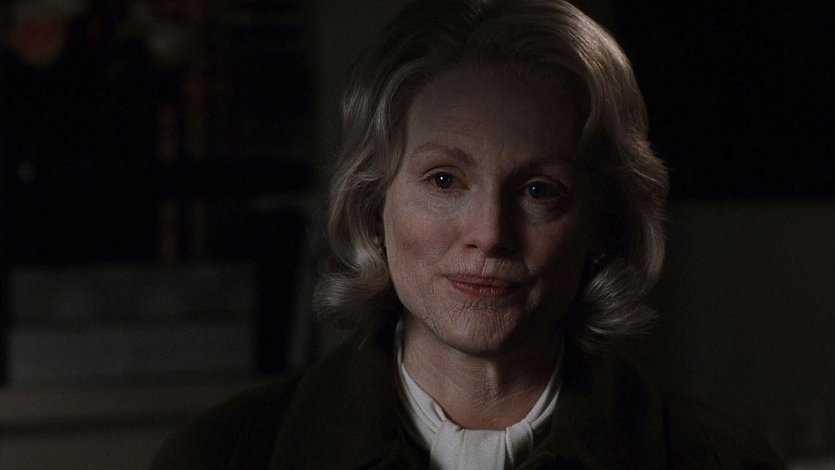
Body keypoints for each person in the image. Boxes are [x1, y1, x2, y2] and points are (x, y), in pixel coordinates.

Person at [151, 1, 783, 468]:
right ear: (373, 209)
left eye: (539, 190)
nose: (489, 234)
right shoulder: (220, 457)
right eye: (445, 180)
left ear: (602, 224)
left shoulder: (720, 461)